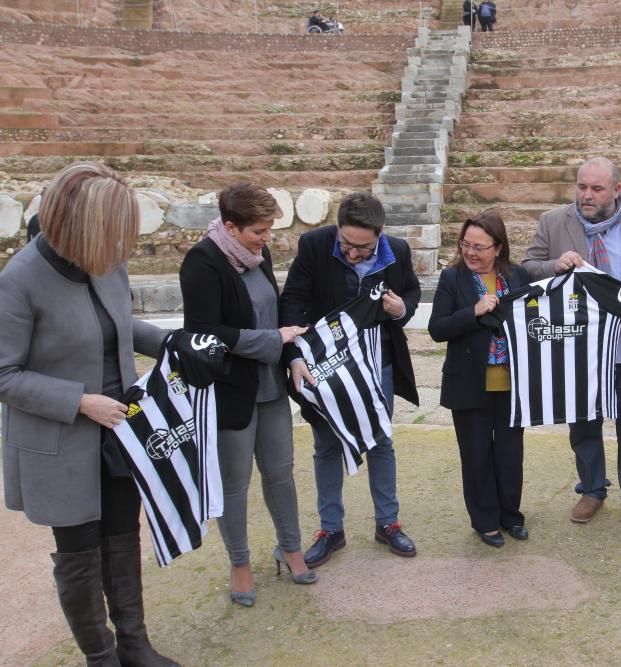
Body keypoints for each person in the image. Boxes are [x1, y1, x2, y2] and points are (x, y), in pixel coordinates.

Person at [0, 162, 177, 665]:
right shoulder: (19, 281)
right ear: (85, 226)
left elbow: (119, 324)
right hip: (60, 444)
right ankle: (100, 657)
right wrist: (79, 401)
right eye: (116, 233)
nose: (125, 246)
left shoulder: (103, 261)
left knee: (122, 538)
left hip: (116, 431)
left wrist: (172, 344)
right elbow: (3, 373)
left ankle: (135, 645)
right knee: (79, 555)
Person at [522, 157, 621, 531]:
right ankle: (592, 490)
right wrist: (555, 265)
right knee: (584, 425)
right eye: (581, 187)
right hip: (580, 349)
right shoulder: (553, 221)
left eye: (596, 189)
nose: (586, 196)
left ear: (616, 190)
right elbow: (528, 266)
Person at [179, 182, 316, 607]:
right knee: (234, 484)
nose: (267, 238)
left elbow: (275, 313)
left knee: (280, 472)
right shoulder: (201, 263)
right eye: (259, 231)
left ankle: (290, 547)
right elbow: (204, 333)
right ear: (230, 225)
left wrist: (290, 354)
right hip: (229, 392)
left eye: (269, 230)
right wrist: (272, 339)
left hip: (272, 386)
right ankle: (239, 563)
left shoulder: (257, 256)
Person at [280, 191, 421, 565]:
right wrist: (293, 354)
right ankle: (331, 529)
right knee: (326, 443)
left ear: (380, 233)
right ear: (337, 228)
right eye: (345, 244)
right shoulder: (313, 245)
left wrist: (401, 309)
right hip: (326, 365)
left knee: (380, 439)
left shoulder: (398, 251)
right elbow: (292, 300)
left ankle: (387, 523)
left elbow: (411, 291)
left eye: (363, 247)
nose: (353, 253)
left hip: (378, 362)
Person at [428, 212, 531, 547]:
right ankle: (484, 521)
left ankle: (510, 516)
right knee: (475, 454)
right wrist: (473, 311)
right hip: (469, 383)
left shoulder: (518, 276)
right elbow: (437, 329)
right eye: (465, 244)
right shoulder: (451, 278)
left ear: (498, 247)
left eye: (479, 247)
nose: (470, 252)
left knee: (510, 454)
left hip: (512, 385)